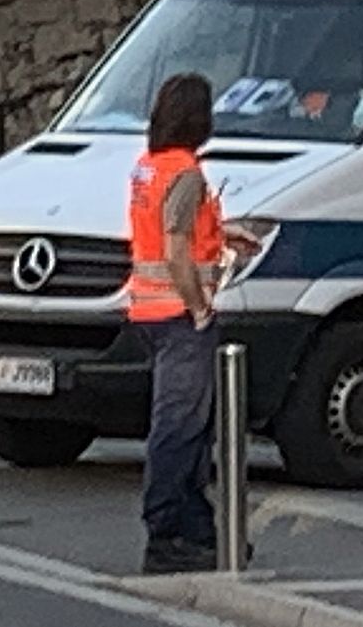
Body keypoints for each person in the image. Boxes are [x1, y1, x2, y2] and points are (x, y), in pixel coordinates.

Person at [126, 74, 257, 573]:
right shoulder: (186, 174)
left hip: (147, 312)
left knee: (189, 431)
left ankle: (201, 534)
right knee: (181, 432)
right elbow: (176, 248)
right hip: (179, 317)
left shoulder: (148, 167)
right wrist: (199, 306)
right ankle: (168, 535)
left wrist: (223, 232)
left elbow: (164, 231)